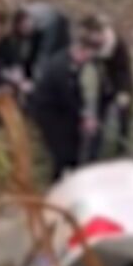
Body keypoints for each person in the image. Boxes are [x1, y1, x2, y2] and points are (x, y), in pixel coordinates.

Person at [29, 27, 106, 181]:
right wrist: (85, 117)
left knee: (74, 144)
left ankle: (72, 174)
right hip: (49, 112)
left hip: (64, 110)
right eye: (87, 55)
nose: (87, 60)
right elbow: (68, 97)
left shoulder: (75, 63)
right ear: (79, 50)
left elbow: (77, 92)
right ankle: (58, 180)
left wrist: (86, 114)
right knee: (62, 151)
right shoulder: (60, 67)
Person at [85, 15, 133, 159]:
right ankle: (94, 152)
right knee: (99, 116)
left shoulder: (117, 44)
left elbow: (125, 70)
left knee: (123, 117)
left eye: (96, 36)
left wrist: (125, 91)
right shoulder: (89, 44)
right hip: (103, 84)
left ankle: (122, 149)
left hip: (120, 84)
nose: (94, 40)